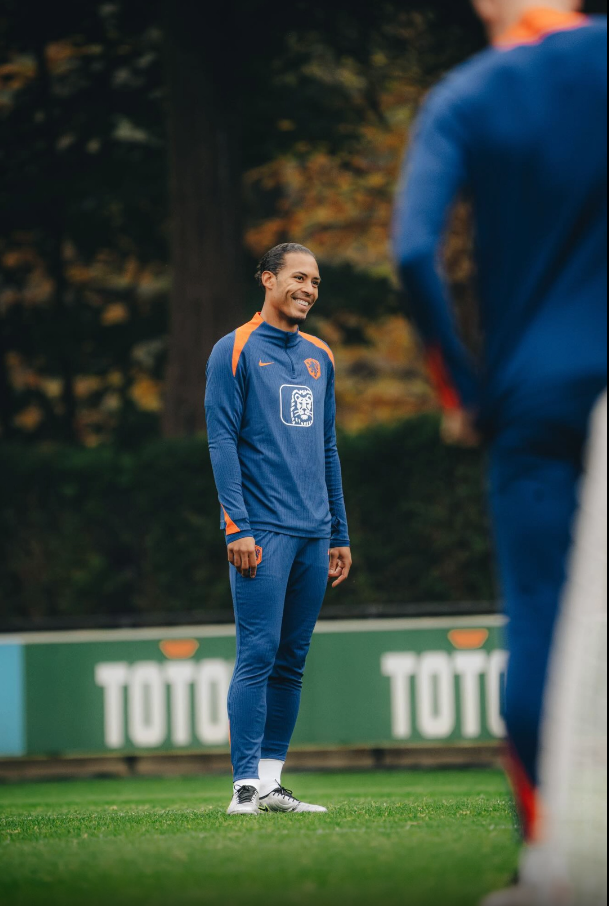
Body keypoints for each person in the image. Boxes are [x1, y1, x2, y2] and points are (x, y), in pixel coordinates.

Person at [393, 1, 607, 902]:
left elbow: (412, 252)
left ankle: (548, 864)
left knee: (541, 622)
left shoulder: (467, 96)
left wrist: (462, 392)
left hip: (535, 400)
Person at [205, 242, 352, 816]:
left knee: (292, 661)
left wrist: (338, 532)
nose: (309, 289)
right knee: (257, 654)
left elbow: (328, 447)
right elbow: (221, 440)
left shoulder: (321, 355)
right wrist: (235, 526)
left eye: (315, 281)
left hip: (315, 534)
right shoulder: (233, 349)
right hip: (260, 531)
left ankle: (271, 783)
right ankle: (243, 787)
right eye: (298, 277)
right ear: (267, 279)